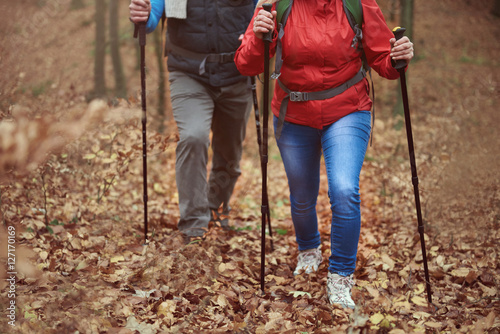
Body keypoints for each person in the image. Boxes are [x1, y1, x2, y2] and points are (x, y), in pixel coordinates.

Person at [235, 0, 414, 309]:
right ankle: (308, 250)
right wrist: (260, 35)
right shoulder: (276, 5)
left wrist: (398, 57)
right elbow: (248, 65)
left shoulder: (357, 5)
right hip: (293, 114)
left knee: (344, 189)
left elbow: (383, 61)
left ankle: (341, 277)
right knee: (302, 195)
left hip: (347, 108)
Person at [129, 0, 258, 240]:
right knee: (193, 136)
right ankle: (194, 225)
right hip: (189, 73)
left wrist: (261, 30)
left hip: (238, 74)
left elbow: (264, 7)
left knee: (229, 155)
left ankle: (214, 208)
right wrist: (144, 16)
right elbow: (152, 14)